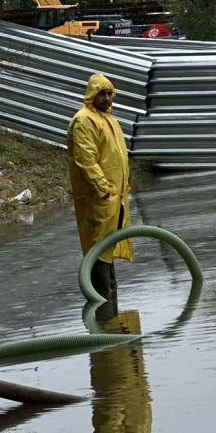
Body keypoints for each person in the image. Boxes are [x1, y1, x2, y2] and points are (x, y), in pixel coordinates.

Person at [67, 73, 134, 302]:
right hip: (100, 198)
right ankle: (102, 307)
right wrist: (104, 189)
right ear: (91, 95)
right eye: (102, 94)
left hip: (116, 196)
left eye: (109, 93)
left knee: (108, 249)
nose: (106, 98)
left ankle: (111, 309)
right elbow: (86, 160)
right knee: (99, 248)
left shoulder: (109, 120)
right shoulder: (84, 120)